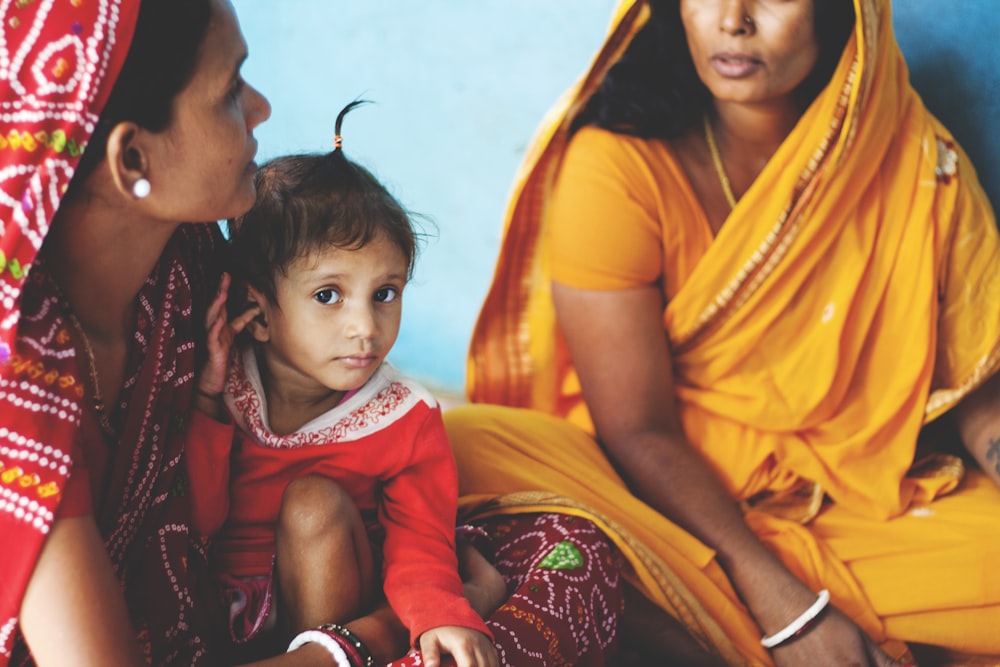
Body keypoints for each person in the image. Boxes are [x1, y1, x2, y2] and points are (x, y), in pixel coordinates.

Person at [445, 0, 1000, 665]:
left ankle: (699, 626)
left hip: (851, 502)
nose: (732, 20)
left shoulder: (913, 162)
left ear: (839, 12)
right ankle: (764, 624)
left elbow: (976, 388)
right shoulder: (618, 166)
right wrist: (787, 608)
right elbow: (636, 429)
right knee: (471, 442)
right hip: (669, 503)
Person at [183, 102, 499, 667]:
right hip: (224, 606)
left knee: (312, 501)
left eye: (385, 293)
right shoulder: (227, 385)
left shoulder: (404, 416)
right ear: (259, 313)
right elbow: (199, 521)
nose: (366, 327)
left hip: (332, 606)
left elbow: (420, 541)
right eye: (328, 295)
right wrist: (207, 404)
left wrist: (440, 612)